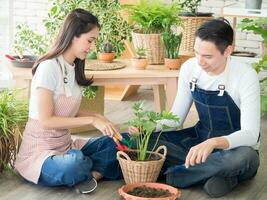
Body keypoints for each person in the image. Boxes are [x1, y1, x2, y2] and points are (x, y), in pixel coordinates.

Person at [129, 18, 260, 197]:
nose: (200, 61)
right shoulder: (189, 68)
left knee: (245, 158)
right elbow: (175, 119)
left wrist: (214, 142)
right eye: (196, 53)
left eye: (207, 56)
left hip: (233, 149)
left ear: (227, 50)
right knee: (137, 142)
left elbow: (251, 135)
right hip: (197, 143)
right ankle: (215, 177)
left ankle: (173, 175)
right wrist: (148, 127)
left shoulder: (245, 76)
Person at [15, 8, 122, 194]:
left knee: (119, 142)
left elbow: (67, 110)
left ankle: (92, 173)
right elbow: (47, 120)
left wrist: (99, 117)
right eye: (90, 40)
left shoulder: (73, 67)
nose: (92, 47)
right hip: (41, 152)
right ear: (73, 35)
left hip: (66, 145)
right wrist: (92, 120)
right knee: (71, 166)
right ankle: (88, 168)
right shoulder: (48, 67)